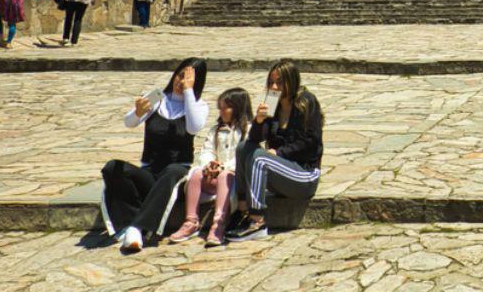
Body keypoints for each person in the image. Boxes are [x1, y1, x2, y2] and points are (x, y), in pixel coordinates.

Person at [101, 58, 209, 252]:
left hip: (177, 174)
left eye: (188, 79)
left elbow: (193, 127)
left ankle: (138, 227)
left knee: (172, 170)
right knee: (113, 168)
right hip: (150, 172)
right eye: (180, 75)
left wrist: (188, 92)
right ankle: (128, 225)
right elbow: (129, 122)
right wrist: (137, 112)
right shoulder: (158, 100)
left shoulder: (198, 105)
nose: (181, 81)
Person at [227, 60, 323, 242]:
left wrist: (279, 154)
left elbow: (311, 142)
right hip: (281, 172)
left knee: (260, 159)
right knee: (243, 148)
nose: (274, 87)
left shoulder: (306, 102)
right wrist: (259, 121)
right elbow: (255, 140)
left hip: (304, 175)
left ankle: (257, 221)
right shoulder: (273, 102)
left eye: (279, 82)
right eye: (271, 82)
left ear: (291, 81)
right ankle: (242, 209)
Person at [167, 87, 252, 247]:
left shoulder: (248, 130)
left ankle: (219, 224)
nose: (221, 112)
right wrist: (209, 164)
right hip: (213, 178)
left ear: (238, 108)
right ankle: (191, 221)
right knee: (196, 173)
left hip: (233, 181)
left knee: (225, 175)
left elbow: (244, 157)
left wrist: (223, 167)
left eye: (225, 108)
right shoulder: (216, 131)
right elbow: (207, 150)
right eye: (220, 108)